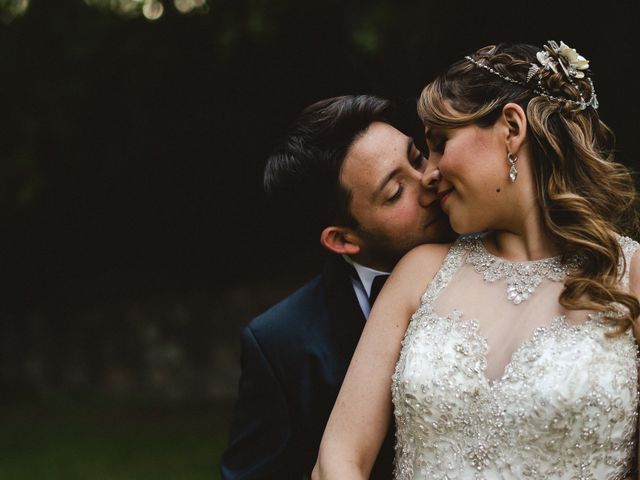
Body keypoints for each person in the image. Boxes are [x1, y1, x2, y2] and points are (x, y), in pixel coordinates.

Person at [313, 42, 640, 479]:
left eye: (439, 143)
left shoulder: (629, 275)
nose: (429, 173)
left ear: (511, 127)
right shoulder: (419, 273)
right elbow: (339, 457)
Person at [220, 95, 453, 480]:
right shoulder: (281, 345)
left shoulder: (503, 251)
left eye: (416, 158)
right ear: (343, 240)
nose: (427, 180)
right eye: (395, 192)